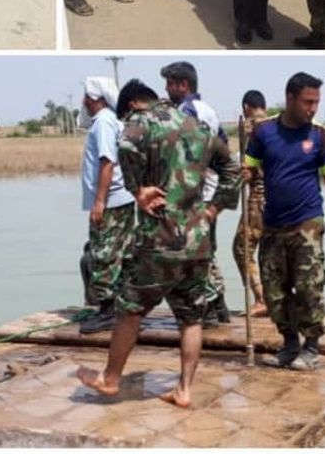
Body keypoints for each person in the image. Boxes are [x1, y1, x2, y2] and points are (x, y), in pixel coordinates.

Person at [76, 79, 239, 410]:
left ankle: (110, 378)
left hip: (159, 239)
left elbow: (125, 147)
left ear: (134, 103)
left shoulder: (141, 121)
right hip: (198, 240)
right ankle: (183, 389)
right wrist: (214, 208)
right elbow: (232, 168)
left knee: (130, 310)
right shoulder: (195, 125)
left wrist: (137, 189)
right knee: (191, 318)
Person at [243, 72, 325, 371]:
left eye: (316, 102)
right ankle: (289, 343)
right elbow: (249, 169)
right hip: (273, 224)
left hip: (307, 222)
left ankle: (312, 346)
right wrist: (241, 175)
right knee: (274, 291)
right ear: (290, 98)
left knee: (309, 287)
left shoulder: (320, 135)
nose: (313, 108)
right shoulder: (263, 133)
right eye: (308, 102)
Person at [160, 61, 231, 326]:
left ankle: (210, 308)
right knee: (205, 250)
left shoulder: (187, 112)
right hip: (208, 189)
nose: (167, 89)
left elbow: (187, 156)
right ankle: (217, 306)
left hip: (198, 193)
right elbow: (224, 147)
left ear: (184, 85)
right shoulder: (205, 110)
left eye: (170, 84)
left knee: (195, 252)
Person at [75, 76, 135, 335]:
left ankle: (108, 311)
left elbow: (107, 162)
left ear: (95, 99)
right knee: (119, 253)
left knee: (103, 254)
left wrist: (99, 201)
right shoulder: (110, 121)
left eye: (86, 96)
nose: (83, 101)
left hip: (111, 200)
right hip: (118, 198)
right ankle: (118, 308)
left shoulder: (103, 123)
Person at [234, 90, 268, 317]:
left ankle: (261, 298)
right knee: (270, 251)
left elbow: (247, 168)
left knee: (242, 248)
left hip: (259, 196)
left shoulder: (249, 127)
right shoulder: (277, 125)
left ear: (246, 106)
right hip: (280, 198)